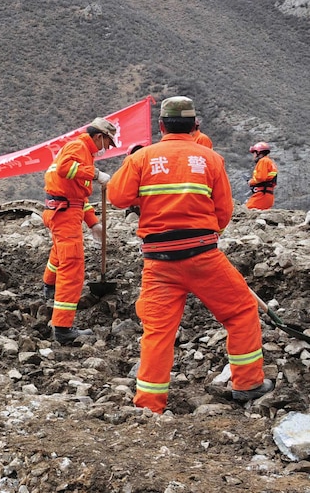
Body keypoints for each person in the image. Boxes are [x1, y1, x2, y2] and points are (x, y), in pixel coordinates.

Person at [108, 96, 273, 413]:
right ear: (194, 125)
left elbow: (117, 196)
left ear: (161, 126)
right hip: (203, 257)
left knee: (157, 332)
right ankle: (248, 383)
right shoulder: (210, 159)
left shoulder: (144, 159)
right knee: (240, 313)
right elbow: (223, 213)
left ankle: (149, 403)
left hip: (158, 264)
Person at [42, 118, 115, 345]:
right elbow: (65, 169)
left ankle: (49, 287)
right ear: (98, 136)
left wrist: (93, 223)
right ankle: (63, 328)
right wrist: (94, 174)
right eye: (106, 142)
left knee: (60, 255)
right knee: (72, 266)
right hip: (63, 214)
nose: (106, 148)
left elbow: (78, 197)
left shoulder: (84, 152)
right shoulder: (79, 147)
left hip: (65, 211)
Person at [246, 142, 278, 210]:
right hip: (268, 195)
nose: (253, 155)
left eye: (254, 153)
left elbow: (260, 178)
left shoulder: (263, 161)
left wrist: (250, 182)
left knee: (246, 211)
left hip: (261, 195)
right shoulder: (270, 162)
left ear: (258, 152)